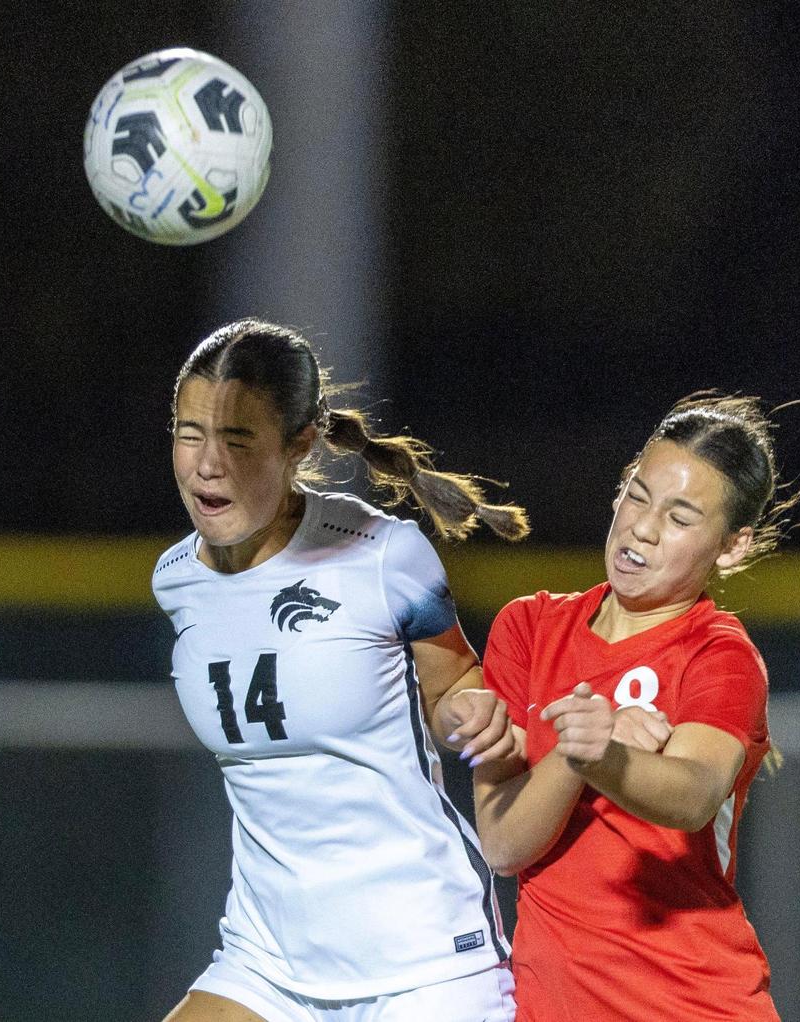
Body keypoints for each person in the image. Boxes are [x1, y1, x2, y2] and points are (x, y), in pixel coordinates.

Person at [152, 318, 527, 1022]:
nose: (207, 463)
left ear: (299, 444)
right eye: (188, 432)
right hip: (266, 961)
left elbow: (452, 689)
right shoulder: (175, 579)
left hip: (420, 964)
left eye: (237, 439)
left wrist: (473, 715)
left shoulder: (382, 554)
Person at [474, 393, 800, 1022]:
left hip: (690, 1002)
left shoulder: (720, 656)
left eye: (681, 517)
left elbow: (691, 794)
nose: (643, 528)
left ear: (732, 547)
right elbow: (502, 843)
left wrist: (602, 752)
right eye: (638, 494)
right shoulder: (528, 627)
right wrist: (580, 754)